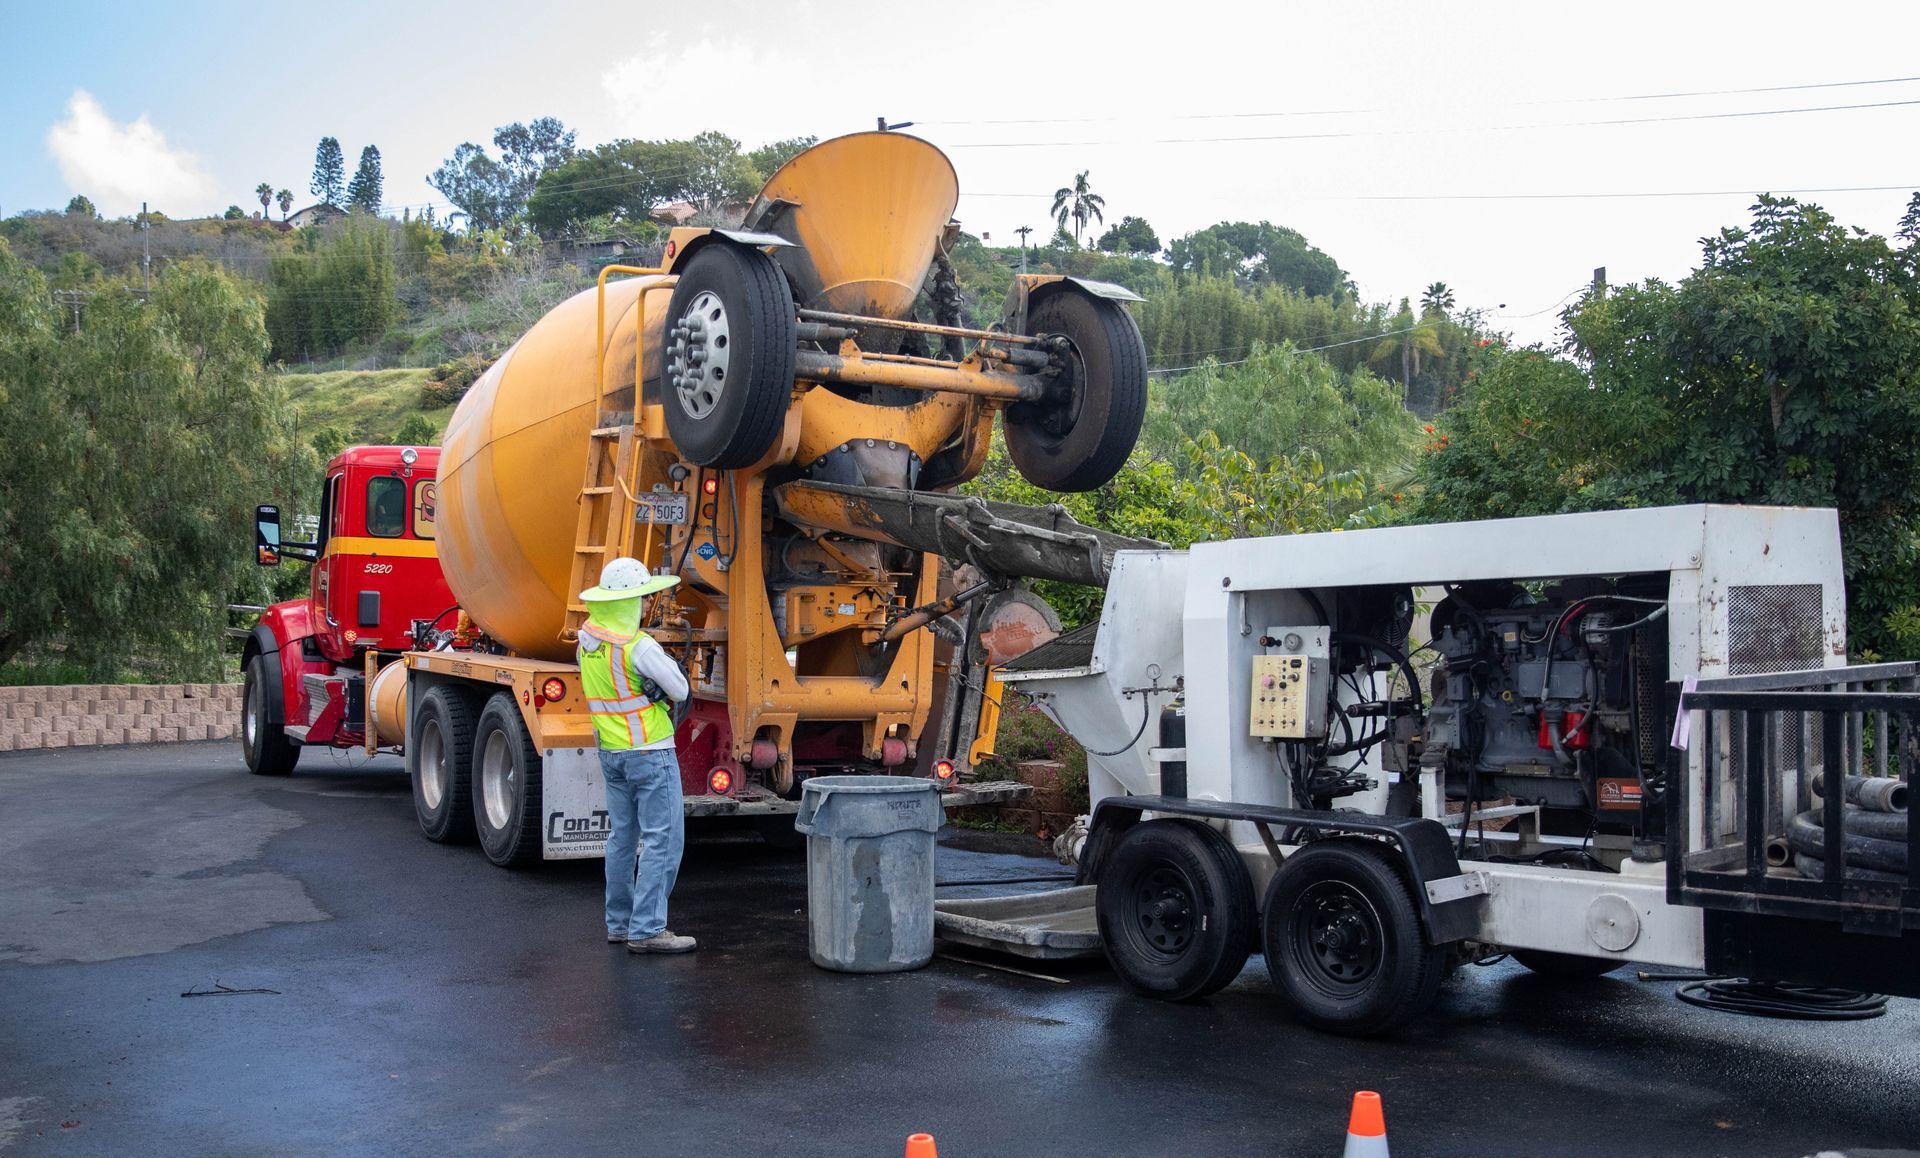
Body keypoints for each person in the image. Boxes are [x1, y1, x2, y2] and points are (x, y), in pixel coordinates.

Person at [577, 556, 694, 954]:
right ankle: (648, 929)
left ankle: (620, 924)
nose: (647, 606)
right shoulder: (638, 645)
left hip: (612, 754)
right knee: (663, 840)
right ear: (626, 602)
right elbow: (678, 689)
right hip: (649, 754)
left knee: (622, 838)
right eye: (642, 599)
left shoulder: (588, 644)